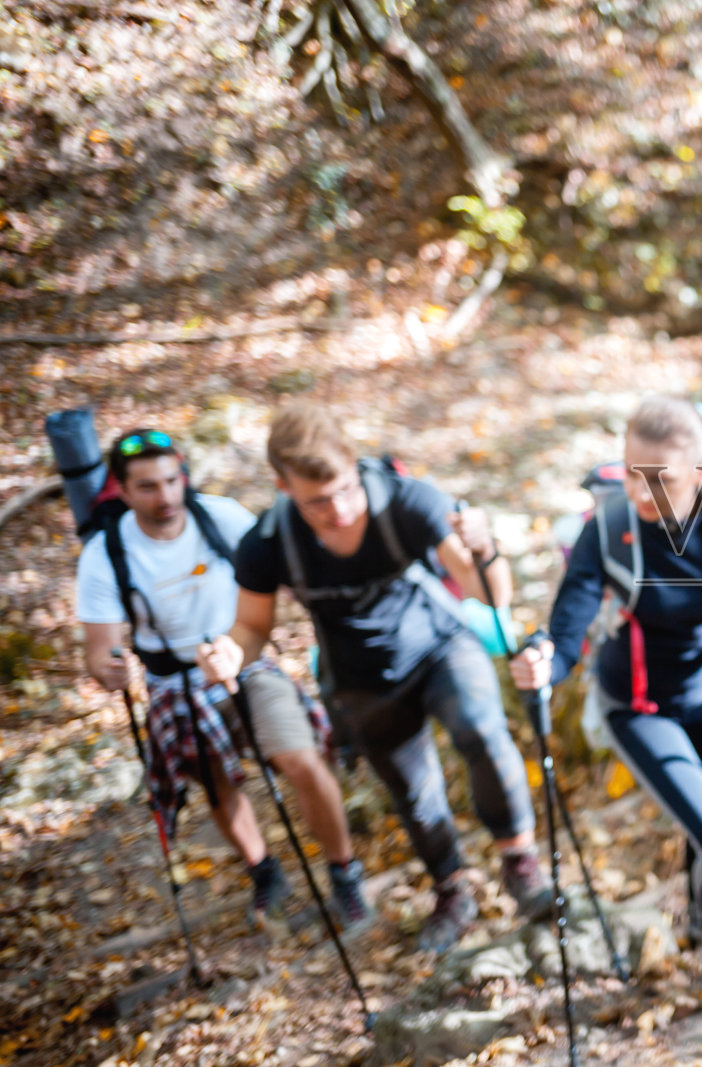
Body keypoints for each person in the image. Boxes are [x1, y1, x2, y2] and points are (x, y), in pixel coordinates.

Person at [197, 403, 553, 952]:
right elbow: (251, 628)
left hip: (438, 644)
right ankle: (452, 890)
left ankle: (520, 864)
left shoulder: (407, 502)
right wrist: (227, 652)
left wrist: (484, 547)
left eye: (344, 490)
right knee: (413, 791)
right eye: (316, 501)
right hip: (359, 675)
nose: (337, 510)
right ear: (282, 485)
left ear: (353, 465)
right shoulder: (268, 542)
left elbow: (488, 593)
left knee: (481, 729)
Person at [510, 397, 702, 1005]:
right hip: (640, 709)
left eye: (662, 479)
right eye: (631, 473)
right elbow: (569, 623)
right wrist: (547, 657)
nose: (643, 493)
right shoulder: (610, 529)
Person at [76, 428, 370, 930]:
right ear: (121, 491)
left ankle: (344, 872)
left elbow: (285, 573)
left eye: (172, 480)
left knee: (300, 756)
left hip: (245, 661)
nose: (166, 496)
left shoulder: (223, 517)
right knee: (214, 780)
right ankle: (264, 869)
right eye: (147, 487)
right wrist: (111, 669)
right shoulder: (106, 554)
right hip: (174, 682)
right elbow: (100, 653)